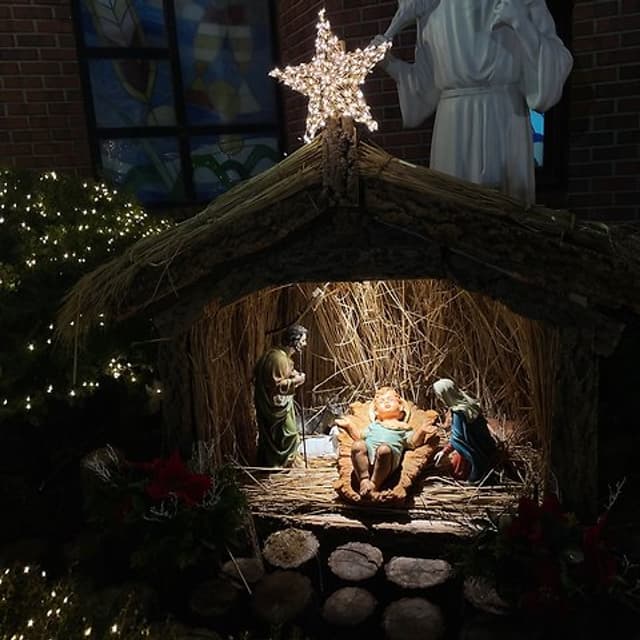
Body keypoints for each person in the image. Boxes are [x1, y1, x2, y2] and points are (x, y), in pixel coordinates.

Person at [372, 0, 573, 206]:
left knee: (506, 209)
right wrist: (388, 63)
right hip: (454, 123)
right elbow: (426, 86)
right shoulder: (431, 5)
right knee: (452, 208)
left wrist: (521, 23)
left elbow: (557, 62)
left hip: (504, 116)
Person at [342, 387, 435, 496]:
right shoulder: (374, 425)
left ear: (401, 407)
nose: (386, 402)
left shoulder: (403, 428)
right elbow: (359, 437)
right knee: (357, 445)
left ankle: (375, 484)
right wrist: (349, 426)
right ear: (376, 411)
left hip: (387, 460)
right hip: (367, 457)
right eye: (381, 401)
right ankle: (363, 479)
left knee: (384, 450)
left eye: (390, 399)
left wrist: (422, 431)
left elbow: (413, 443)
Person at [254, 324, 307, 467]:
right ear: (294, 341)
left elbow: (282, 373)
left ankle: (281, 462)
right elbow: (277, 385)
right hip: (274, 407)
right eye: (302, 341)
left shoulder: (279, 356)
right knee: (290, 434)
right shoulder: (278, 359)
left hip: (274, 405)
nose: (304, 344)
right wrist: (296, 381)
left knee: (280, 435)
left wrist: (292, 374)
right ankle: (282, 463)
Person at [432, 378, 497, 483]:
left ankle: (475, 477)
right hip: (485, 445)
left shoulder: (459, 412)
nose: (439, 398)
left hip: (475, 452)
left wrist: (444, 452)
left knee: (456, 471)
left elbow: (458, 439)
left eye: (439, 395)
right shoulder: (470, 403)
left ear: (445, 395)